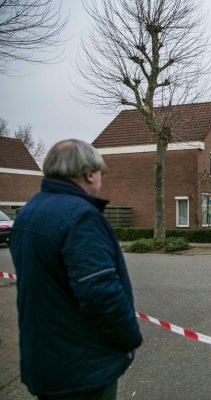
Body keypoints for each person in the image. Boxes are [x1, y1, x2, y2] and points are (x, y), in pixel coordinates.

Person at [9, 139, 143, 400]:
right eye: (102, 173)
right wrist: (129, 338)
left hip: (44, 358)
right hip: (83, 364)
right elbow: (100, 291)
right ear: (90, 174)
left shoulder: (28, 212)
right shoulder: (81, 217)